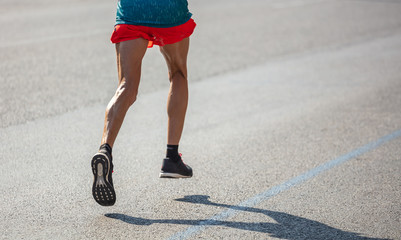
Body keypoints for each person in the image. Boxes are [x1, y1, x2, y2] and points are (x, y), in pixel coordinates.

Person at [91, 0, 196, 206]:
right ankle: (172, 158)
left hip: (133, 10)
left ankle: (105, 150)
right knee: (178, 73)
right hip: (169, 11)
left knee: (126, 87)